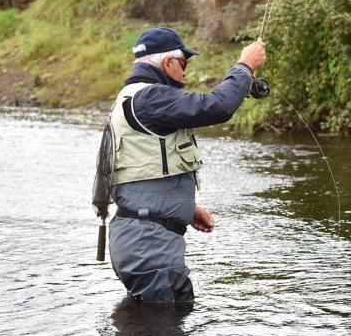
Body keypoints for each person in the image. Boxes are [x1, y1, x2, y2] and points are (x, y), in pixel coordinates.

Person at [107, 26, 265, 303]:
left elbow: (144, 167)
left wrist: (185, 209)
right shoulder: (151, 98)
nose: (185, 71)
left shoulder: (133, 97)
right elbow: (217, 106)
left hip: (140, 241)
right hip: (150, 248)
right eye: (183, 63)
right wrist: (244, 66)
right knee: (165, 320)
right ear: (168, 63)